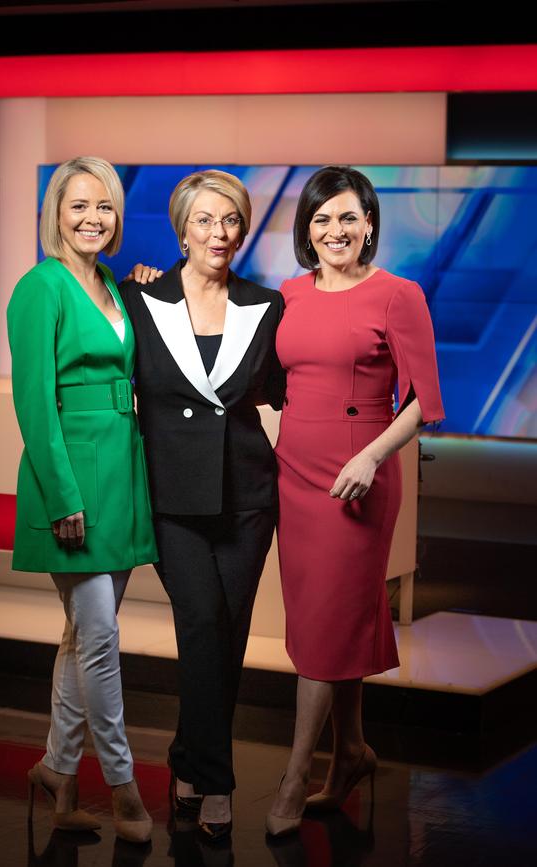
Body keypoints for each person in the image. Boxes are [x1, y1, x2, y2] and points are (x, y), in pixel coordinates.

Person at [266, 165, 444, 835]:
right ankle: (351, 752)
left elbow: (425, 399)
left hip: (358, 476)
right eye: (321, 219)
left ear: (369, 222)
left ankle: (293, 777)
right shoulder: (288, 293)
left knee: (323, 628)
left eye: (347, 217)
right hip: (295, 475)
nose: (334, 230)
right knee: (326, 619)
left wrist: (372, 455)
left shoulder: (398, 294)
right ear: (305, 230)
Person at [120, 170, 286, 840]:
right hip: (170, 497)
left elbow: (285, 392)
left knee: (229, 632)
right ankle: (214, 779)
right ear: (182, 228)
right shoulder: (138, 298)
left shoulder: (266, 305)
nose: (219, 234)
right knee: (202, 620)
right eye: (205, 221)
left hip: (247, 496)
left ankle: (188, 760)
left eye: (231, 221)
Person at [7, 156, 157, 843]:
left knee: (79, 636)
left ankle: (58, 773)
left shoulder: (113, 289)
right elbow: (35, 403)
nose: (93, 218)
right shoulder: (41, 287)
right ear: (55, 215)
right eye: (79, 206)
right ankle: (124, 789)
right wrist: (63, 493)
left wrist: (148, 286)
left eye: (105, 207)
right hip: (72, 479)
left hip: (122, 474)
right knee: (99, 640)